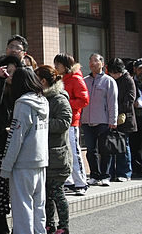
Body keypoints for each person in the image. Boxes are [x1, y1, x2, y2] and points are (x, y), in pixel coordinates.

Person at [0, 66, 49, 234]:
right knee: (38, 204)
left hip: (23, 162)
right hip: (40, 160)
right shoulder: (43, 101)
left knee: (22, 205)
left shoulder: (22, 103)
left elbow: (16, 137)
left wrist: (6, 166)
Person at [0, 53, 24, 234]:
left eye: (12, 71)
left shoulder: (23, 90)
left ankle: (20, 224)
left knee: (17, 185)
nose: (9, 74)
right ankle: (0, 221)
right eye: (5, 71)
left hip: (19, 144)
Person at [36, 64, 72, 234]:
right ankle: (49, 225)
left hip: (58, 156)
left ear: (43, 81)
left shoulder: (59, 98)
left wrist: (41, 123)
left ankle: (64, 228)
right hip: (46, 154)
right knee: (47, 193)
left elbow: (64, 122)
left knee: (57, 192)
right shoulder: (42, 98)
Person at [80, 53, 118, 187]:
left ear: (102, 63)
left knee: (104, 150)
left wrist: (113, 120)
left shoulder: (108, 81)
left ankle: (105, 176)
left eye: (95, 61)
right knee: (91, 150)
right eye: (90, 61)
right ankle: (94, 175)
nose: (92, 63)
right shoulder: (85, 80)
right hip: (86, 121)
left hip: (103, 120)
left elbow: (112, 102)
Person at [54, 54, 89, 193]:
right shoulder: (60, 79)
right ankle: (69, 182)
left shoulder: (76, 78)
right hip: (61, 121)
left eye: (58, 64)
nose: (56, 66)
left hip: (72, 121)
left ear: (66, 65)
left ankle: (81, 182)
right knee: (65, 153)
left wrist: (65, 104)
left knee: (74, 152)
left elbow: (84, 100)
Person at [107, 58, 136, 181]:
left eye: (114, 72)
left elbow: (130, 99)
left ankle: (124, 173)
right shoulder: (110, 80)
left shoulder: (128, 80)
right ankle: (112, 173)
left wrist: (117, 110)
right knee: (111, 146)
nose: (113, 75)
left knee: (123, 145)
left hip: (124, 118)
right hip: (111, 117)